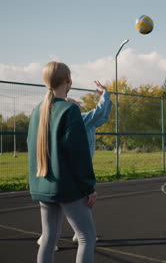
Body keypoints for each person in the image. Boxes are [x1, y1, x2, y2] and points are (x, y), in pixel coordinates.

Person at [28, 61, 97, 263]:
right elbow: (78, 153)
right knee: (87, 238)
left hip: (43, 185)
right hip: (67, 187)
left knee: (48, 239)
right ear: (68, 81)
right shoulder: (69, 109)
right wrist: (89, 187)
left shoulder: (36, 111)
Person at [37, 80, 111, 249]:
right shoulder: (81, 119)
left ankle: (75, 234)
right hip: (72, 169)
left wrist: (106, 100)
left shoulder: (86, 121)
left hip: (75, 167)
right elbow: (99, 113)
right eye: (76, 103)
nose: (79, 104)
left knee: (79, 203)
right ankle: (48, 237)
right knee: (66, 205)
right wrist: (105, 95)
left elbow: (103, 116)